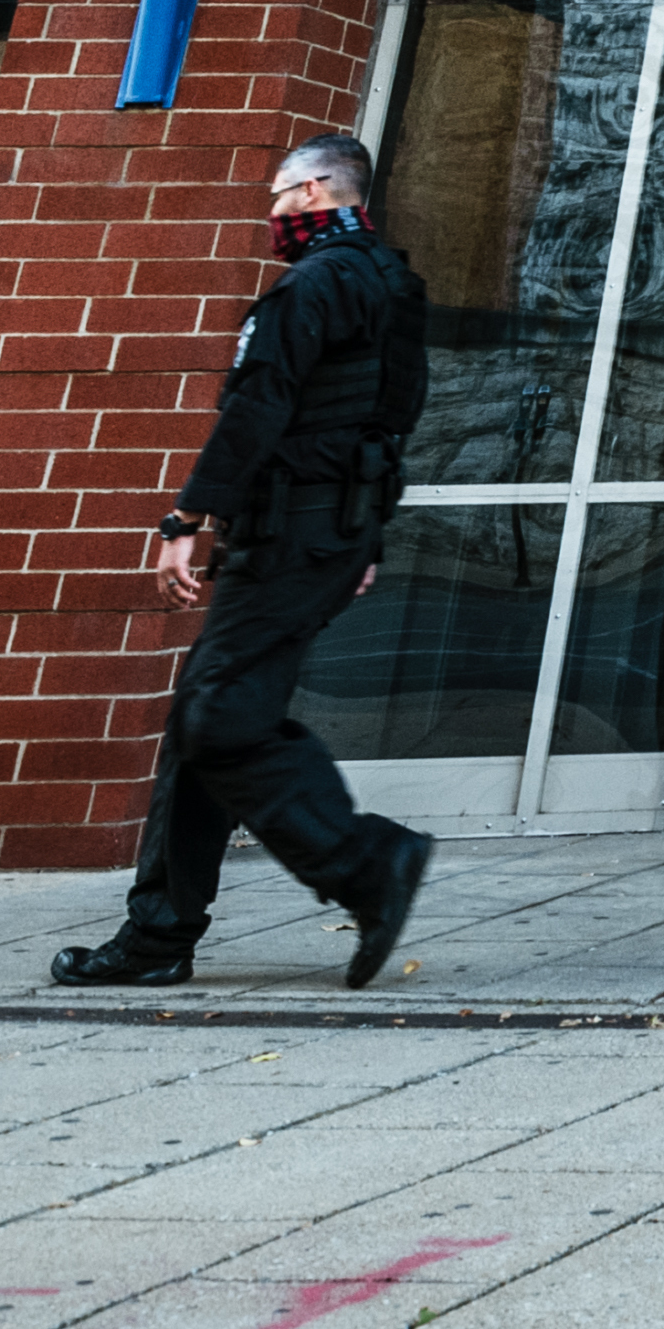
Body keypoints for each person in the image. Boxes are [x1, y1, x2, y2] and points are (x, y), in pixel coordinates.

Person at [53, 134, 438, 991]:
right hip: (329, 535)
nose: (270, 213)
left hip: (296, 534)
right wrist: (360, 539)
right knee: (205, 719)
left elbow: (258, 405)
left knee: (218, 716)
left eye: (276, 195)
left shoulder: (312, 282)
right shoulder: (394, 284)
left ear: (309, 191)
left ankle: (365, 860)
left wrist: (187, 515)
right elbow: (390, 419)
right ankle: (157, 935)